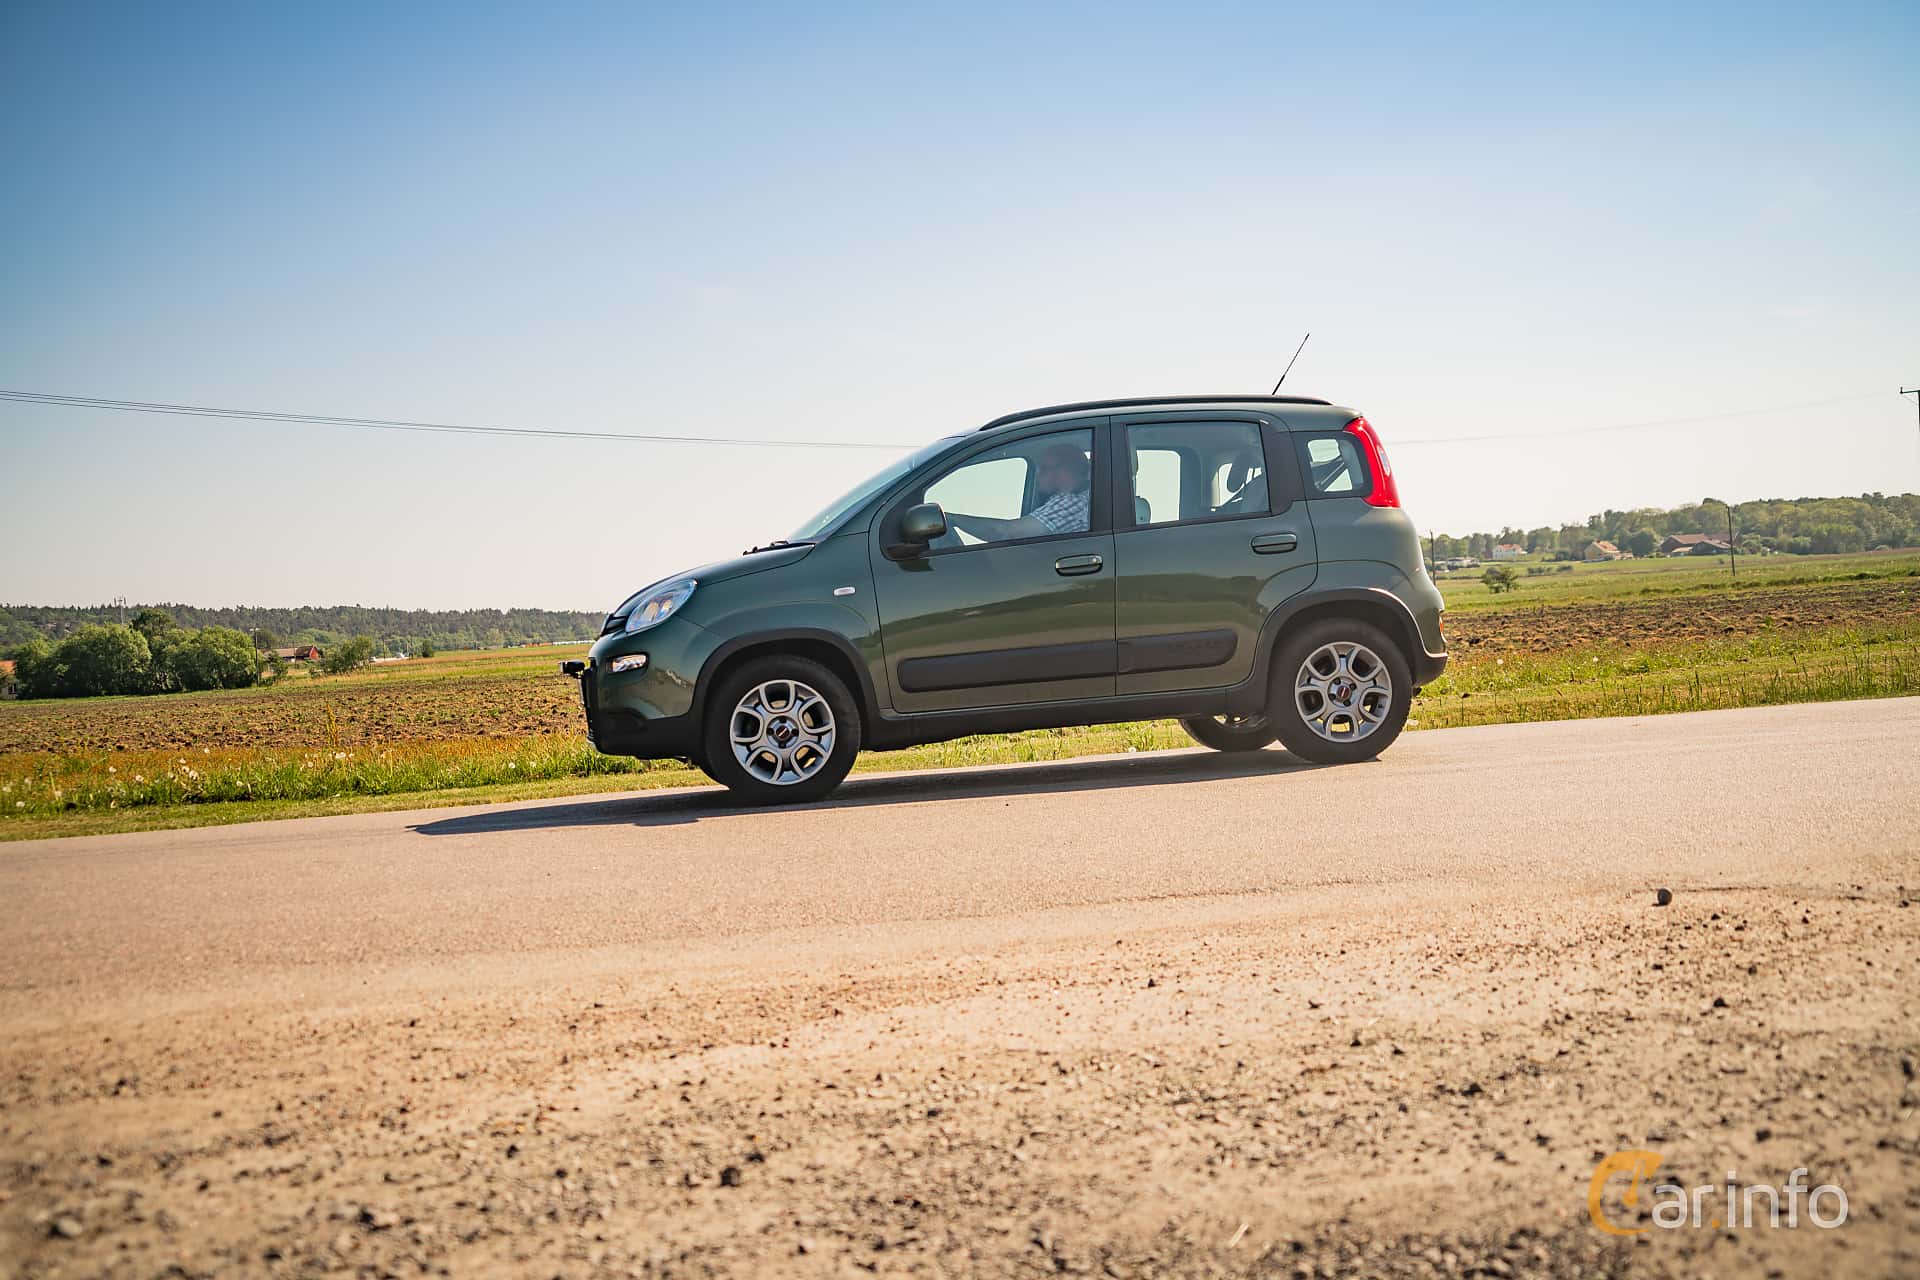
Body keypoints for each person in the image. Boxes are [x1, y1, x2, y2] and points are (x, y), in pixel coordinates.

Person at [945, 442, 1091, 543]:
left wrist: (952, 519)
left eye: (1043, 468)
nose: (1038, 475)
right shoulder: (1077, 498)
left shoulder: (1073, 501)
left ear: (1064, 470)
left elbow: (1007, 533)